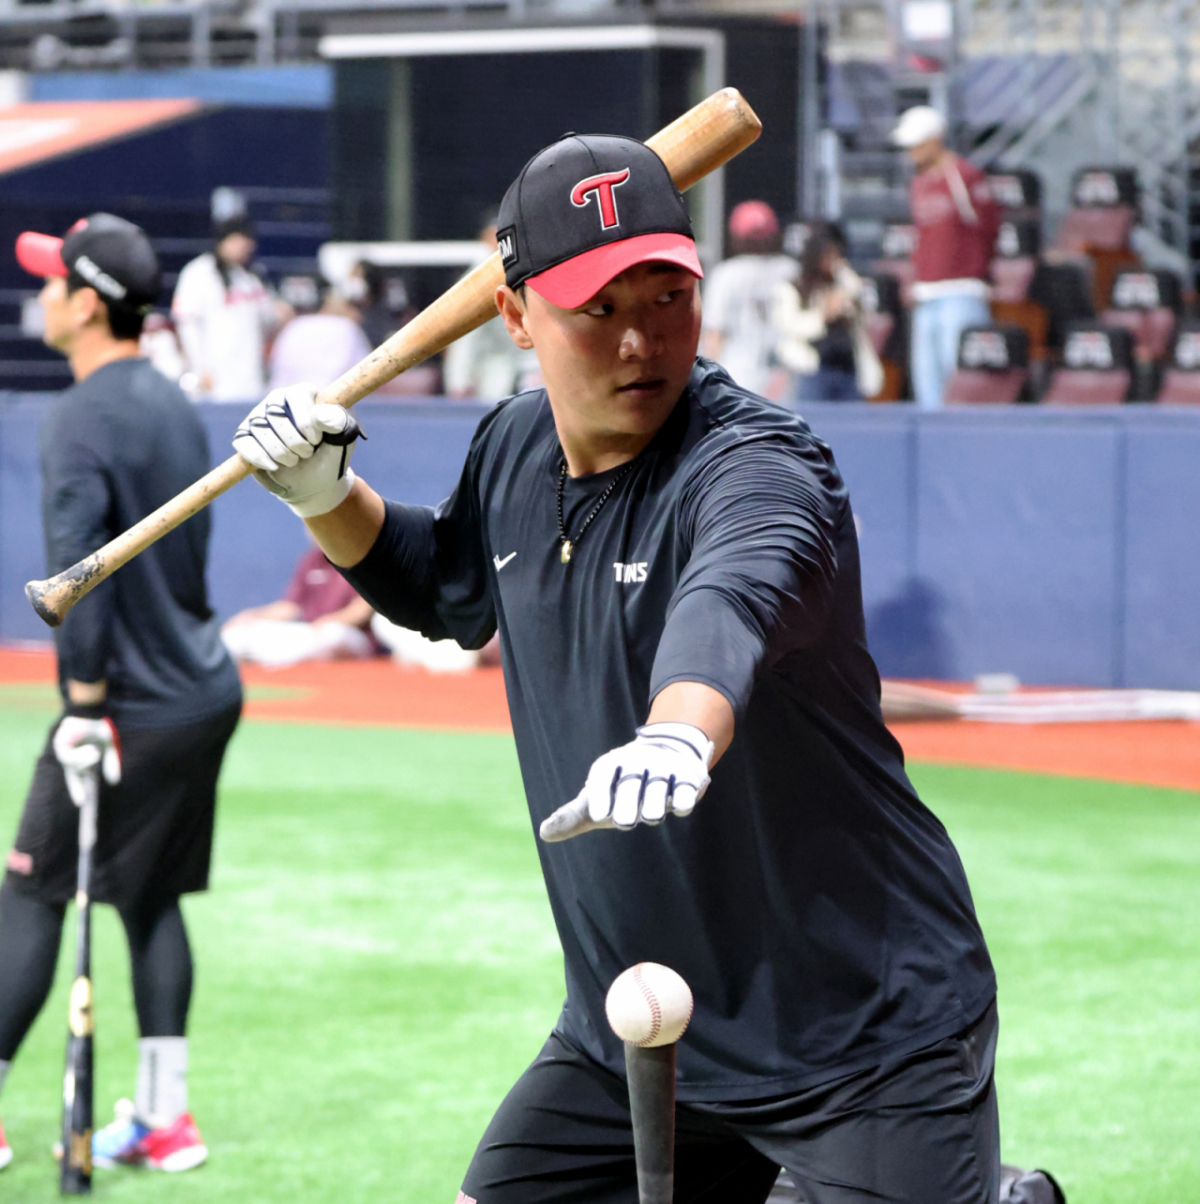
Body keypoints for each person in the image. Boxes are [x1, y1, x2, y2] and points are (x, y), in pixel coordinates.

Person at [232, 133, 999, 1204]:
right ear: (515, 317)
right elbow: (445, 585)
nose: (643, 340)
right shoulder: (509, 449)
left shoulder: (759, 463)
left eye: (666, 297)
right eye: (598, 309)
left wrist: (680, 728)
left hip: (860, 1030)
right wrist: (324, 496)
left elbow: (731, 594)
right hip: (635, 1022)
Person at [0, 214, 243, 1174]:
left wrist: (87, 708)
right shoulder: (169, 401)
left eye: (54, 281)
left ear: (89, 303)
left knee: (30, 888)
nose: (40, 295)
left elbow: (77, 581)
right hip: (199, 691)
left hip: (125, 704)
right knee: (149, 900)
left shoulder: (82, 415)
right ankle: (164, 1119)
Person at [893, 106, 1001, 409]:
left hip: (961, 291)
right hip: (926, 293)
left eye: (917, 142)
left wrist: (976, 268)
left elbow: (990, 226)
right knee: (926, 381)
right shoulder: (919, 182)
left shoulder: (964, 176)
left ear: (935, 139)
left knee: (959, 380)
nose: (912, 150)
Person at [171, 216, 283, 402]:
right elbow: (187, 324)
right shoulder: (199, 272)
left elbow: (270, 320)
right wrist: (200, 368)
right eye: (238, 239)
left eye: (247, 240)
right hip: (216, 377)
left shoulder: (252, 276)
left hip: (251, 377)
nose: (244, 245)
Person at [772, 222, 884, 402]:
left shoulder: (841, 285)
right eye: (829, 256)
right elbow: (790, 326)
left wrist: (844, 276)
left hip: (847, 368)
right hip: (812, 370)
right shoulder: (795, 288)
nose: (833, 261)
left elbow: (864, 317)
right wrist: (823, 315)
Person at [222, 542, 378, 668]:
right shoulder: (312, 559)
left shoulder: (362, 558)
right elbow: (290, 607)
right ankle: (280, 662)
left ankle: (278, 661)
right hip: (309, 633)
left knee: (332, 634)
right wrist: (253, 616)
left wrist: (327, 623)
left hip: (348, 634)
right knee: (237, 635)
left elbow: (362, 610)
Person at [699, 200, 797, 397]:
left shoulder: (726, 273)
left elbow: (714, 336)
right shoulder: (791, 270)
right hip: (785, 380)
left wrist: (706, 384)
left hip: (736, 379)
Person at [444, 211, 540, 400]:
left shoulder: (531, 270)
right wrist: (459, 381)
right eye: (494, 237)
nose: (498, 244)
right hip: (492, 373)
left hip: (530, 367)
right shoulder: (475, 279)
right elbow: (466, 335)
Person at [266, 280, 372, 392]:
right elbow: (370, 373)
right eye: (351, 305)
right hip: (324, 404)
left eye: (360, 308)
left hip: (281, 404)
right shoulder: (347, 327)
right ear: (332, 301)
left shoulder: (296, 324)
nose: (357, 313)